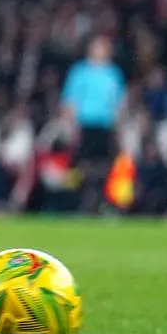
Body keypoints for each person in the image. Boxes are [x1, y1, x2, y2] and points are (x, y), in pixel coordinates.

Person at [60, 34, 127, 214]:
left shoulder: (113, 73)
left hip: (105, 126)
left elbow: (119, 103)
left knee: (104, 165)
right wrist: (72, 126)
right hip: (85, 125)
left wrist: (118, 127)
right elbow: (70, 101)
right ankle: (71, 201)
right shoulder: (80, 72)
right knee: (79, 165)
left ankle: (99, 201)